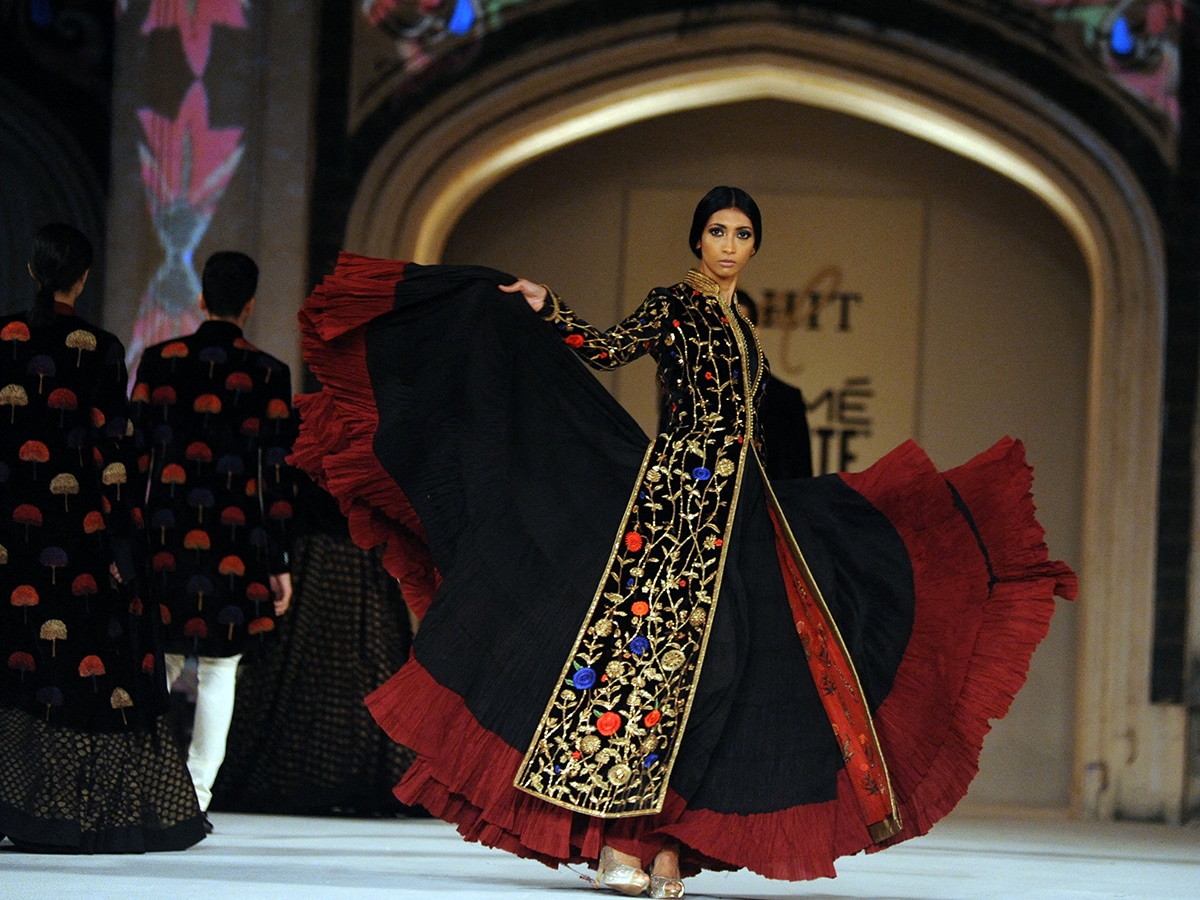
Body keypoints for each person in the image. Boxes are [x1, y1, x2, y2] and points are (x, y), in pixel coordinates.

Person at [290, 187, 1076, 895]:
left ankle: (670, 842)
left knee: (723, 669)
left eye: (741, 233)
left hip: (742, 508)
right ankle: (616, 843)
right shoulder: (675, 304)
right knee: (642, 667)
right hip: (673, 499)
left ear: (753, 246)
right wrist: (545, 306)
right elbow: (605, 348)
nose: (728, 245)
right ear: (697, 241)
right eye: (716, 231)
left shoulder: (744, 318)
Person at [0, 223, 206, 852]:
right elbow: (113, 454)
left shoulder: (1, 338)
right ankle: (65, 811)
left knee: (15, 661)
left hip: (8, 534)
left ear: (35, 271)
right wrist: (122, 545)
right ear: (82, 279)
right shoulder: (100, 346)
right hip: (80, 538)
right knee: (76, 671)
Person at [130, 251, 295, 831]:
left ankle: (149, 786)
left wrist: (128, 543)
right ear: (250, 304)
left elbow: (133, 460)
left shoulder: (159, 361)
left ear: (201, 298)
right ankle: (195, 795)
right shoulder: (269, 372)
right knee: (220, 668)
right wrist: (279, 559)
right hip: (237, 537)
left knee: (163, 659)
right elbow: (274, 473)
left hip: (165, 533)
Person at [209, 472, 418, 816]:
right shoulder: (341, 427)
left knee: (343, 664)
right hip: (329, 543)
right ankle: (345, 777)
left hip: (342, 544)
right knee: (349, 664)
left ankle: (341, 777)